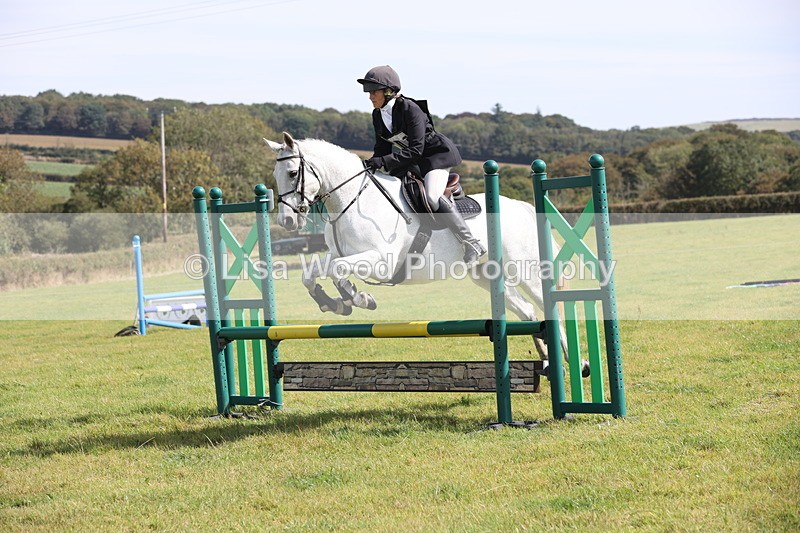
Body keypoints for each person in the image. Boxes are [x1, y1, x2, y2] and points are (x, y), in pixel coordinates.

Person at [357, 65, 486, 265]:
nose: (370, 97)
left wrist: (383, 162)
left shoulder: (410, 109)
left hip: (436, 158)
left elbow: (416, 148)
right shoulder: (378, 115)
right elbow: (382, 148)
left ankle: (471, 242)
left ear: (389, 91)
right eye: (369, 92)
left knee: (433, 197)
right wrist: (369, 165)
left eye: (374, 92)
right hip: (413, 161)